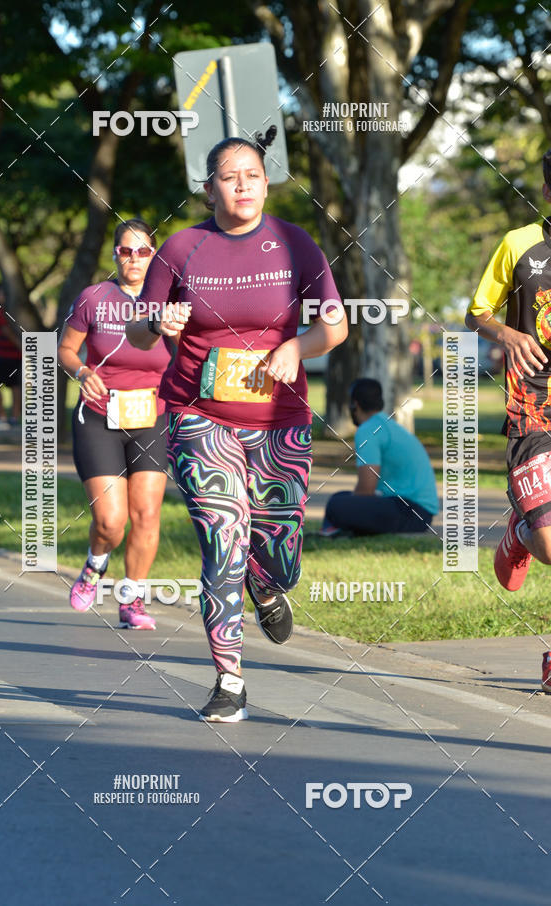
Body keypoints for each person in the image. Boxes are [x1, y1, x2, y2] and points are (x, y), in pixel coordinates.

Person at [127, 127, 348, 721]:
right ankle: (229, 680)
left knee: (278, 547)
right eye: (230, 176)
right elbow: (138, 329)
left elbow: (335, 326)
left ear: (267, 182)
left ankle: (267, 580)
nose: (243, 185)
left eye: (253, 174)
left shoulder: (295, 243)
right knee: (221, 537)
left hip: (280, 418)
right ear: (209, 189)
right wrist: (160, 322)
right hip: (199, 416)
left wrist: (298, 347)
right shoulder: (180, 249)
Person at [58, 219, 172, 629]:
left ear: (154, 256)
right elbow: (67, 349)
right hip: (99, 417)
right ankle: (95, 563)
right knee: (110, 521)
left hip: (151, 419)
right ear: (115, 255)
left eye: (144, 251)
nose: (135, 259)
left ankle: (132, 600)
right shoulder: (94, 298)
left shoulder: (167, 305)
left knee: (146, 514)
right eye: (127, 251)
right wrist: (82, 372)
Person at [465, 149, 551, 693]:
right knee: (549, 546)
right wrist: (510, 335)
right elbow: (477, 312)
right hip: (533, 404)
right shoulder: (520, 244)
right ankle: (522, 531)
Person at [320, 378, 439, 537]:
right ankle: (337, 528)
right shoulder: (388, 424)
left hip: (411, 512)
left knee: (336, 505)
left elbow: (366, 488)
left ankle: (332, 530)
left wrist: (352, 506)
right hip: (420, 512)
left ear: (355, 404)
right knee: (341, 498)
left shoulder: (368, 430)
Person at [0, 303, 22, 430]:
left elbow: (6, 330)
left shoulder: (16, 311)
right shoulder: (2, 311)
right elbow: (4, 329)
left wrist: (22, 347)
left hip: (14, 356)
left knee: (15, 386)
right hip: (2, 355)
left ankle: (13, 418)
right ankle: (2, 416)